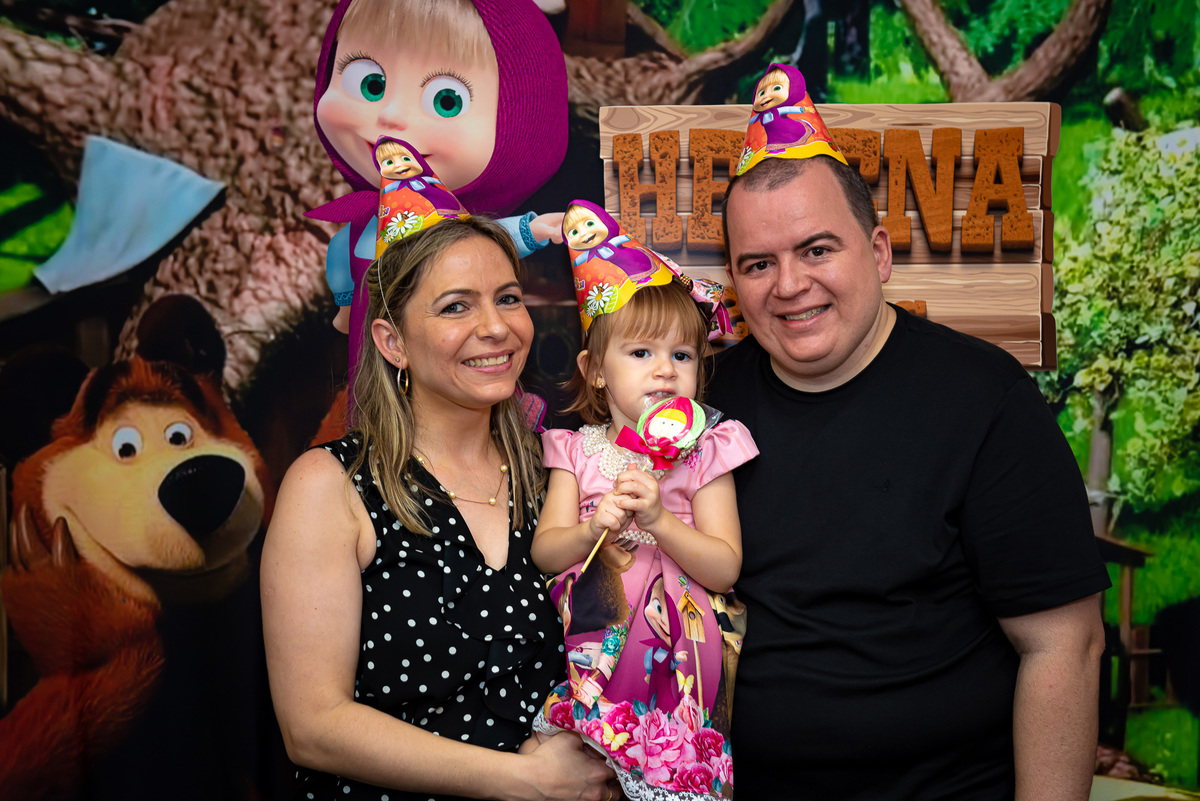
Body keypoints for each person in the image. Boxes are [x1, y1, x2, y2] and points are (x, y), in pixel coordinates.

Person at [706, 63, 1111, 801]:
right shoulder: (704, 406)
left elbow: (1064, 645)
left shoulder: (984, 399)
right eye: (758, 264)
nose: (789, 285)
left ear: (880, 252)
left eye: (817, 249)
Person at [261, 212, 615, 801]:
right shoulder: (332, 485)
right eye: (456, 307)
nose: (496, 327)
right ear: (392, 342)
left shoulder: (560, 474)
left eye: (508, 298)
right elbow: (313, 727)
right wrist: (525, 780)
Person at [529, 203, 757, 799]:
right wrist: (590, 531)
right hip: (597, 650)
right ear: (595, 370)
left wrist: (659, 520)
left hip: (683, 667)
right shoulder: (576, 450)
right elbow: (546, 553)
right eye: (641, 354)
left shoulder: (706, 449)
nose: (665, 371)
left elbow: (725, 567)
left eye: (682, 355)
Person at [307, 0, 568, 380]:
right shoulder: (363, 225)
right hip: (370, 359)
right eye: (370, 84)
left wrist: (532, 229)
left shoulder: (456, 225)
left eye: (446, 101)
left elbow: (490, 238)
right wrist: (347, 304)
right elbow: (341, 255)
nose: (391, 116)